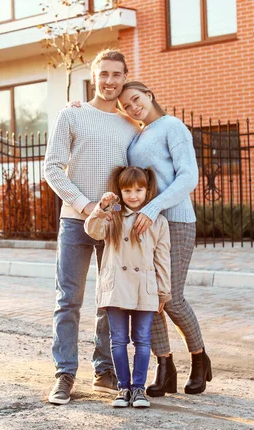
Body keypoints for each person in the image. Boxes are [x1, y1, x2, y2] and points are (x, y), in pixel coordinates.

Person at [44, 49, 139, 405]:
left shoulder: (130, 125)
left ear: (124, 77)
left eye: (117, 75)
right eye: (104, 74)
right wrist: (85, 207)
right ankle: (64, 373)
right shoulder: (72, 115)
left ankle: (104, 371)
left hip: (113, 225)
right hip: (75, 220)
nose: (110, 81)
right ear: (94, 76)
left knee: (109, 300)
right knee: (68, 300)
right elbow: (52, 168)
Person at [118, 81, 212, 396]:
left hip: (176, 220)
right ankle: (165, 366)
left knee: (170, 298)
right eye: (126, 106)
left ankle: (199, 358)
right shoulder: (137, 135)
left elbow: (188, 176)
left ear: (149, 94)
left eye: (135, 99)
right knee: (150, 299)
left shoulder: (173, 127)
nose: (133, 108)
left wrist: (155, 206)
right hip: (146, 225)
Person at [84, 166, 171, 408]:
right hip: (116, 288)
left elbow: (163, 259)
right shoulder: (112, 215)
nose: (133, 195)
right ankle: (123, 388)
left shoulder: (158, 221)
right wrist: (101, 208)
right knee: (118, 340)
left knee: (143, 340)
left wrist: (163, 291)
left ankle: (139, 389)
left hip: (144, 287)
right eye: (127, 190)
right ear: (120, 191)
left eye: (138, 190)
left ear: (147, 190)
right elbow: (92, 230)